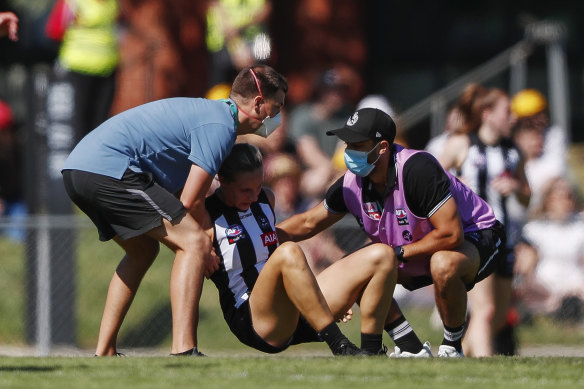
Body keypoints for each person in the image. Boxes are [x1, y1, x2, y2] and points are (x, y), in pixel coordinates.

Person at [61, 64, 288, 356]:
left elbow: (180, 194)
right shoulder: (221, 127)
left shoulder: (212, 115)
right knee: (193, 242)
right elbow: (190, 202)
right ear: (258, 103)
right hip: (107, 169)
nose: (278, 116)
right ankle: (184, 350)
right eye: (276, 106)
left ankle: (104, 350)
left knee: (143, 250)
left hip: (78, 169)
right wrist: (205, 243)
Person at [277, 107, 506, 358]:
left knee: (443, 264)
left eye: (358, 144)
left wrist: (396, 253)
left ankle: (452, 347)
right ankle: (412, 349)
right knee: (361, 268)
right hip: (416, 247)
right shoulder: (351, 182)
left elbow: (451, 235)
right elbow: (309, 222)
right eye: (347, 143)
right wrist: (266, 235)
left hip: (477, 235)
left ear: (383, 147)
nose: (349, 151)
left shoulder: (418, 169)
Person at [206, 143, 399, 356]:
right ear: (222, 181)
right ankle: (339, 344)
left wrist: (315, 300)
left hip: (294, 310)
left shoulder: (266, 199)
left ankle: (373, 352)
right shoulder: (206, 216)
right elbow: (172, 229)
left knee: (382, 254)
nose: (253, 197)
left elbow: (299, 227)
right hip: (253, 318)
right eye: (245, 190)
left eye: (258, 187)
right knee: (288, 252)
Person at [438, 84, 531, 356]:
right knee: (485, 310)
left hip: (505, 239)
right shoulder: (461, 144)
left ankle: (455, 357)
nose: (513, 118)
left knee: (499, 316)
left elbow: (527, 196)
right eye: (507, 111)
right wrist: (453, 185)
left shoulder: (514, 151)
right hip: (475, 237)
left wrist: (515, 186)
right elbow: (427, 181)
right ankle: (484, 371)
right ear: (488, 114)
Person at [47, 0, 120, 143]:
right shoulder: (72, 3)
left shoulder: (113, 3)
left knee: (102, 120)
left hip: (107, 68)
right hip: (79, 67)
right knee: (80, 119)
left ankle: (98, 160)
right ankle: (81, 162)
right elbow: (54, 31)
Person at [514, 176, 584, 321]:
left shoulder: (580, 228)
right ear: (548, 199)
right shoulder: (534, 230)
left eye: (568, 197)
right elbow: (525, 266)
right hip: (542, 285)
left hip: (575, 284)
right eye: (558, 196)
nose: (564, 201)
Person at [510, 89, 568, 214]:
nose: (541, 118)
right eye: (534, 116)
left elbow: (555, 175)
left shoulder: (554, 134)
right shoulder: (509, 144)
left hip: (541, 212)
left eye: (543, 112)